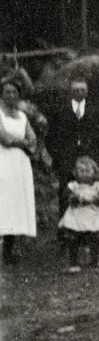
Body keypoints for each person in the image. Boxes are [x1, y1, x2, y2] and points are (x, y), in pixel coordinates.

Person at [46, 76, 99, 217]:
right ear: (70, 92)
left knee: (90, 198)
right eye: (76, 90)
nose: (79, 93)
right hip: (67, 162)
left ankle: (88, 233)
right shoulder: (61, 110)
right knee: (66, 197)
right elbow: (51, 138)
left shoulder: (95, 111)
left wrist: (96, 160)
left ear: (87, 91)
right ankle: (65, 233)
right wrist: (60, 159)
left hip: (90, 165)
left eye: (82, 90)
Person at [0, 75, 38, 266]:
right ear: (1, 94)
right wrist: (22, 142)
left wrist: (25, 144)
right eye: (7, 92)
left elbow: (32, 138)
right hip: (3, 161)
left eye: (14, 92)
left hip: (20, 163)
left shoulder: (22, 116)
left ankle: (9, 250)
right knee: (3, 201)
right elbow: (5, 138)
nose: (11, 95)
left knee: (15, 203)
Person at [58, 156, 99, 272]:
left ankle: (94, 262)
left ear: (94, 172)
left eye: (88, 171)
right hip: (77, 215)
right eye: (81, 171)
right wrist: (76, 197)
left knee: (95, 237)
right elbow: (65, 197)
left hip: (93, 215)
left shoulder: (98, 186)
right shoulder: (73, 185)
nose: (85, 174)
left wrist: (95, 198)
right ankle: (73, 263)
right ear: (76, 173)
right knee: (73, 238)